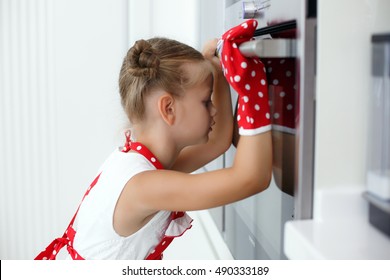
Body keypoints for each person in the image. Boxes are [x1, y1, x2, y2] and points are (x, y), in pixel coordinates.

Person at [35, 19, 272, 260]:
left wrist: (217, 72)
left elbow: (218, 141)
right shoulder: (143, 186)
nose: (214, 110)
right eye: (205, 101)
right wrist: (252, 88)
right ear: (168, 108)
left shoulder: (139, 163)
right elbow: (251, 179)